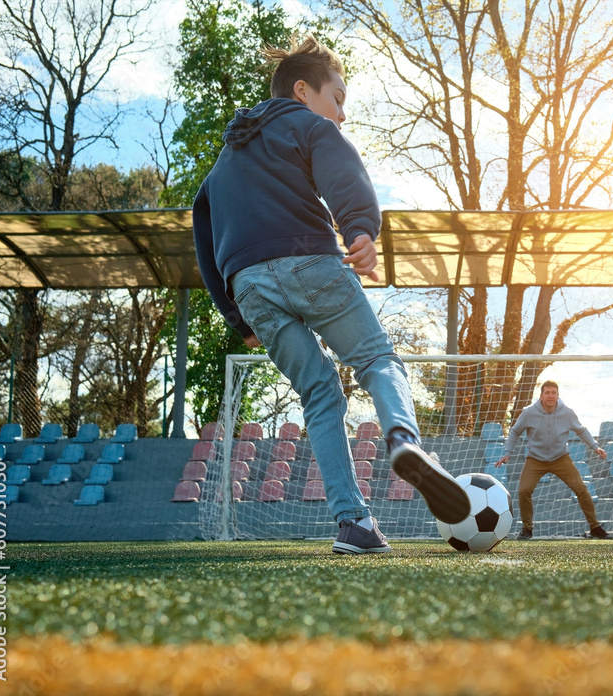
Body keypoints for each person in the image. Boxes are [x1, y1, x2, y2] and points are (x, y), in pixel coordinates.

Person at [192, 34, 469, 554]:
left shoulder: (224, 161)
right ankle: (405, 443)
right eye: (337, 98)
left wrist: (236, 316)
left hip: (249, 287)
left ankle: (354, 525)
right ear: (302, 90)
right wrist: (360, 227)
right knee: (377, 358)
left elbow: (203, 231)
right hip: (309, 264)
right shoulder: (310, 125)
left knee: (319, 392)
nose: (339, 115)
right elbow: (342, 170)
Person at [495, 381, 610, 539]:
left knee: (581, 489)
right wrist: (508, 452)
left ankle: (595, 527)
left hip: (560, 458)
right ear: (541, 396)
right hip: (535, 459)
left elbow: (581, 430)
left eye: (553, 393)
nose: (550, 396)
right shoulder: (529, 412)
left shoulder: (567, 413)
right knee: (524, 490)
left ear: (557, 395)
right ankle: (527, 529)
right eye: (547, 393)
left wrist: (595, 447)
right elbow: (515, 431)